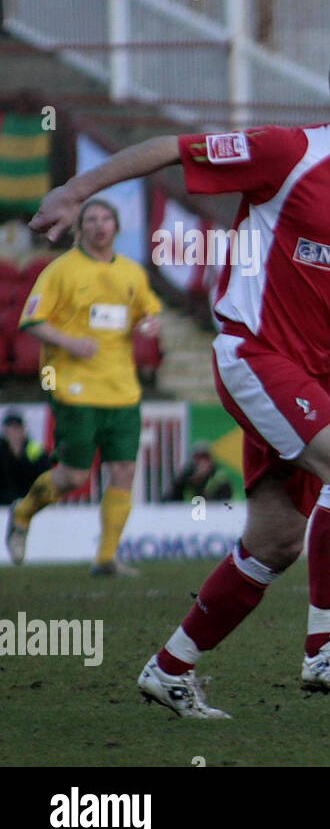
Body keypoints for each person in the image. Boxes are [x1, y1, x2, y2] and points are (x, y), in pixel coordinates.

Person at [29, 40, 330, 719]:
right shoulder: (287, 152)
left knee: (274, 541)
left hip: (311, 377)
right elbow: (167, 148)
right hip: (254, 354)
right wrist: (74, 190)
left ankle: (170, 669)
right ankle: (324, 648)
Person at [6, 199, 161, 578]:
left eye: (106, 218)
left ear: (116, 226)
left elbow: (149, 310)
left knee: (123, 470)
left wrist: (151, 324)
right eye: (91, 219)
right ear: (80, 229)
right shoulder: (61, 270)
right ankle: (23, 512)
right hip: (72, 385)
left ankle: (106, 558)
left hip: (122, 389)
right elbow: (31, 321)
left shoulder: (130, 272)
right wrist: (70, 342)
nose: (99, 225)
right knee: (75, 477)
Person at [0, 410, 52, 505]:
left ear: (23, 429)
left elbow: (45, 476)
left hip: (31, 502)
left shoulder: (34, 450)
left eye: (16, 428)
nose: (13, 432)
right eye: (10, 428)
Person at [165, 441, 234, 503]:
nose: (202, 462)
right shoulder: (186, 477)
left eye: (205, 458)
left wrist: (199, 482)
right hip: (188, 514)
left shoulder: (220, 479)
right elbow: (171, 498)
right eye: (198, 458)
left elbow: (220, 503)